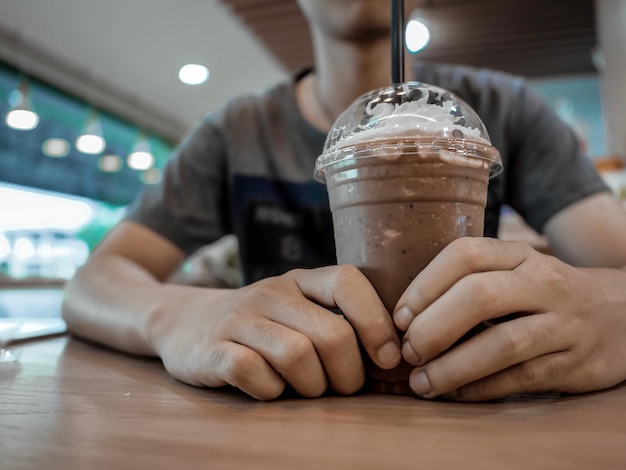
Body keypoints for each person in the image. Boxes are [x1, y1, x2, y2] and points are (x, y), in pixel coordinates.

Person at [62, 0, 626, 401]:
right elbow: (95, 281)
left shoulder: (505, 110)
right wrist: (178, 316)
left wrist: (611, 308)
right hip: (282, 420)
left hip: (464, 415)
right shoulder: (236, 132)